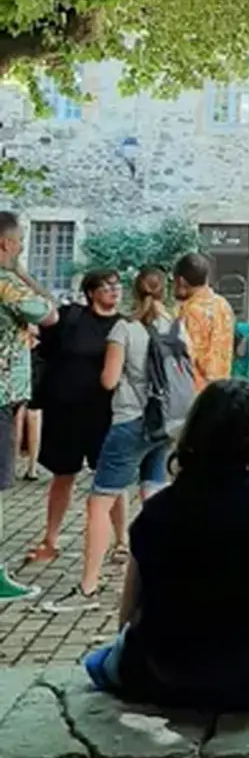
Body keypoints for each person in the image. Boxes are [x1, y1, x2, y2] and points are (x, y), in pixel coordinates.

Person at [84, 379, 249, 711]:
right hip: (246, 683)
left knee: (103, 660)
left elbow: (128, 618)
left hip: (159, 677)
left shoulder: (157, 509)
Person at [49, 267, 186, 611]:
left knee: (99, 503)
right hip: (167, 424)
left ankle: (88, 587)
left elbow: (109, 380)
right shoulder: (175, 326)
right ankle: (160, 581)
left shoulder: (125, 328)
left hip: (131, 421)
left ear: (133, 293)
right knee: (153, 496)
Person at [24, 269, 124, 568]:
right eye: (107, 286)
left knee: (110, 480)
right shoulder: (71, 318)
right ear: (91, 292)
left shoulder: (123, 326)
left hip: (104, 413)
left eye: (117, 286)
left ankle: (121, 541)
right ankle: (50, 539)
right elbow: (44, 317)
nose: (114, 290)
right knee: (62, 476)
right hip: (65, 412)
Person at [0, 211, 57, 604]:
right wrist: (21, 272)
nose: (22, 247)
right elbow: (48, 312)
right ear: (6, 244)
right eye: (20, 241)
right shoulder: (5, 283)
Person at [174, 253, 234, 388]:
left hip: (196, 391)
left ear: (181, 281)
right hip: (223, 388)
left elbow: (186, 357)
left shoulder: (189, 311)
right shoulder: (223, 305)